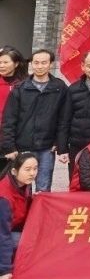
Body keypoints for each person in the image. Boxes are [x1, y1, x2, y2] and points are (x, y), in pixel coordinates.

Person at [0, 49, 68, 192]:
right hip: (22, 146)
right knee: (21, 186)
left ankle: (39, 208)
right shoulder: (20, 88)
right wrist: (9, 147)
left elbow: (63, 118)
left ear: (51, 64)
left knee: (43, 188)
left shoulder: (59, 88)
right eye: (36, 63)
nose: (40, 66)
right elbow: (9, 119)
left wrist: (59, 143)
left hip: (46, 147)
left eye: (44, 63)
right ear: (31, 64)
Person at [0, 152, 36, 279]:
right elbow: (2, 235)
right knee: (25, 241)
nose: (32, 173)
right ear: (14, 171)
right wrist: (4, 270)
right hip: (4, 234)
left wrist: (36, 201)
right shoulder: (4, 197)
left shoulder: (23, 184)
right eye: (28, 169)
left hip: (11, 229)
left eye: (35, 168)